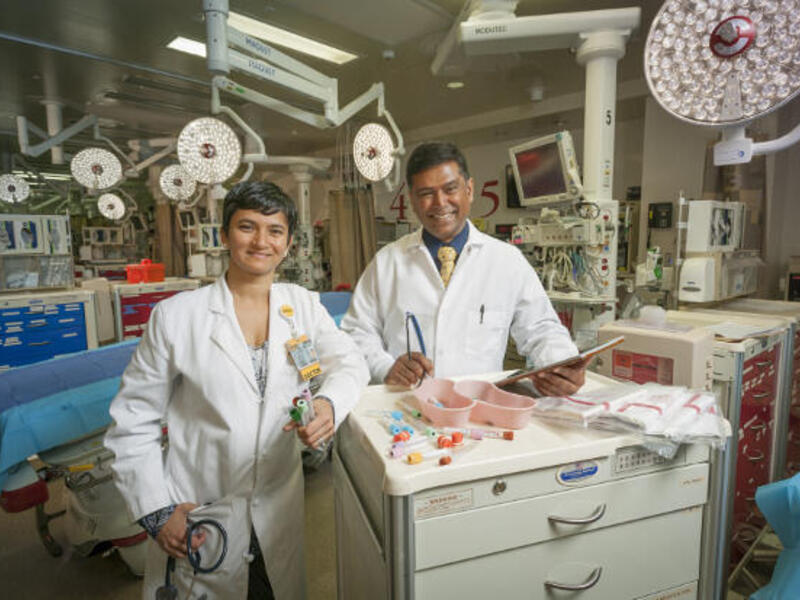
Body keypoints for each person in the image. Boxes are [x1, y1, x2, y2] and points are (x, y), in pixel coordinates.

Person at [105, 181, 368, 599]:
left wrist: (327, 404)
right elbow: (133, 420)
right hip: (202, 509)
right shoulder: (177, 317)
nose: (261, 241)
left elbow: (351, 363)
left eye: (275, 230)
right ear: (225, 235)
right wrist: (156, 511)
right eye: (247, 227)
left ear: (289, 243)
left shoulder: (302, 305)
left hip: (278, 506)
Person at [341, 141, 586, 395]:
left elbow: (542, 329)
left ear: (469, 190)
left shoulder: (507, 261)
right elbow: (356, 333)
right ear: (412, 200)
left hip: (478, 406)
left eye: (450, 189)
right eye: (426, 193)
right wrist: (386, 367)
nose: (440, 202)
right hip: (404, 404)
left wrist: (562, 365)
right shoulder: (387, 262)